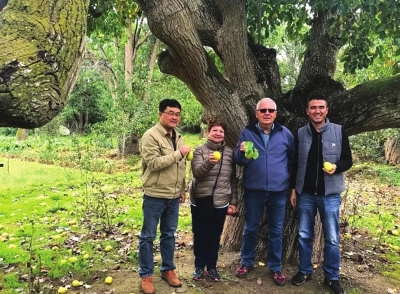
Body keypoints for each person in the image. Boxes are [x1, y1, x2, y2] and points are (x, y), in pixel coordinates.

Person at [289, 95, 353, 294]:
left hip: (330, 194)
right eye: (313, 107)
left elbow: (348, 160)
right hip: (305, 194)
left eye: (321, 107)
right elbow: (294, 164)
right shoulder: (300, 133)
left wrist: (337, 166)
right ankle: (305, 270)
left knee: (332, 238)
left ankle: (332, 277)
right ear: (307, 111)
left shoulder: (339, 130)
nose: (317, 111)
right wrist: (293, 188)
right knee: (304, 234)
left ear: (327, 110)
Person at [234, 98, 295, 286]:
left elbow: (293, 162)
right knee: (250, 227)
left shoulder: (286, 134)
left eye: (270, 110)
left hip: (278, 191)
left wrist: (292, 187)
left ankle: (275, 267)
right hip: (254, 190)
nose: (267, 113)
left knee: (276, 231)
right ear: (256, 113)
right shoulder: (247, 132)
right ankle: (246, 262)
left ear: (276, 113)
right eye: (263, 110)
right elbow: (238, 160)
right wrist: (242, 152)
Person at [139, 99, 191, 294]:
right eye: (170, 113)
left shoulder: (178, 136)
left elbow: (181, 167)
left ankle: (168, 270)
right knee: (148, 236)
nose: (174, 117)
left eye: (177, 114)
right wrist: (179, 154)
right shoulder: (150, 136)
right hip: (155, 194)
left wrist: (182, 190)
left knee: (169, 235)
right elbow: (153, 163)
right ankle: (146, 275)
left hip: (173, 195)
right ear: (161, 114)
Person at [189, 118, 237, 282]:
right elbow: (197, 174)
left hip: (221, 201)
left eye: (221, 131)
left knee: (215, 236)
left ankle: (212, 267)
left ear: (224, 135)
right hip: (202, 199)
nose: (218, 133)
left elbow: (233, 179)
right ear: (209, 132)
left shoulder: (230, 153)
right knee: (201, 235)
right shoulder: (200, 151)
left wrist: (234, 201)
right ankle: (198, 267)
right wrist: (209, 163)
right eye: (215, 130)